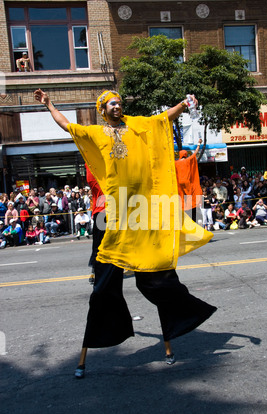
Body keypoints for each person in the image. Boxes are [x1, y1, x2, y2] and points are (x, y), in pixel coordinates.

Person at [34, 88, 217, 379]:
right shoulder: (95, 132)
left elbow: (161, 119)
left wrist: (182, 103)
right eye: (112, 103)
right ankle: (95, 345)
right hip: (115, 217)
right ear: (102, 109)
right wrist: (48, 104)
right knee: (104, 288)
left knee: (156, 278)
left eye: (120, 102)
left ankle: (183, 322)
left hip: (142, 213)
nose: (118, 106)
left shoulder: (136, 124)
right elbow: (67, 125)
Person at [175, 143, 202, 223]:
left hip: (179, 182)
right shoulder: (187, 160)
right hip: (187, 182)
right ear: (185, 154)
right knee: (189, 196)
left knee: (181, 196)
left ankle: (183, 208)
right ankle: (189, 208)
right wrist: (198, 144)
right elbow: (195, 154)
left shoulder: (176, 162)